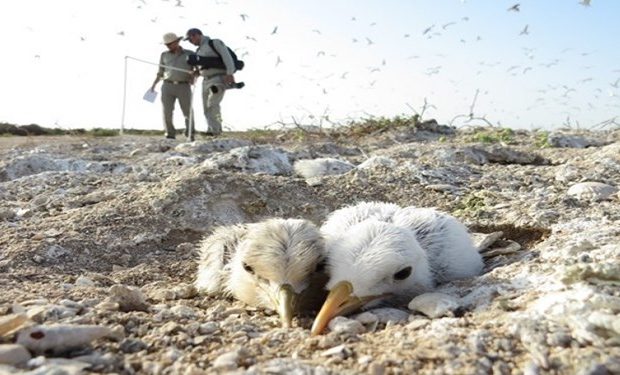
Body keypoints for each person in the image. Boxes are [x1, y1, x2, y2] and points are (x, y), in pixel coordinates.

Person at [184, 28, 236, 136]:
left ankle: (216, 131)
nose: (190, 42)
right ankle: (211, 130)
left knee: (213, 104)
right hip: (205, 81)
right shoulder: (198, 51)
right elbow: (203, 67)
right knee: (206, 107)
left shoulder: (214, 43)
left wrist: (230, 73)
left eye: (190, 39)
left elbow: (227, 57)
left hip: (218, 79)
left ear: (196, 35)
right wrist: (196, 73)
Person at [150, 32, 196, 140]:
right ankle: (170, 134)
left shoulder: (190, 53)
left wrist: (194, 76)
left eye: (170, 44)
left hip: (183, 86)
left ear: (177, 42)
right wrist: (153, 85)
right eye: (167, 44)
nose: (168, 46)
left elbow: (197, 69)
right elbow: (160, 72)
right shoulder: (164, 55)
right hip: (167, 86)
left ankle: (190, 133)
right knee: (167, 111)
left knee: (187, 111)